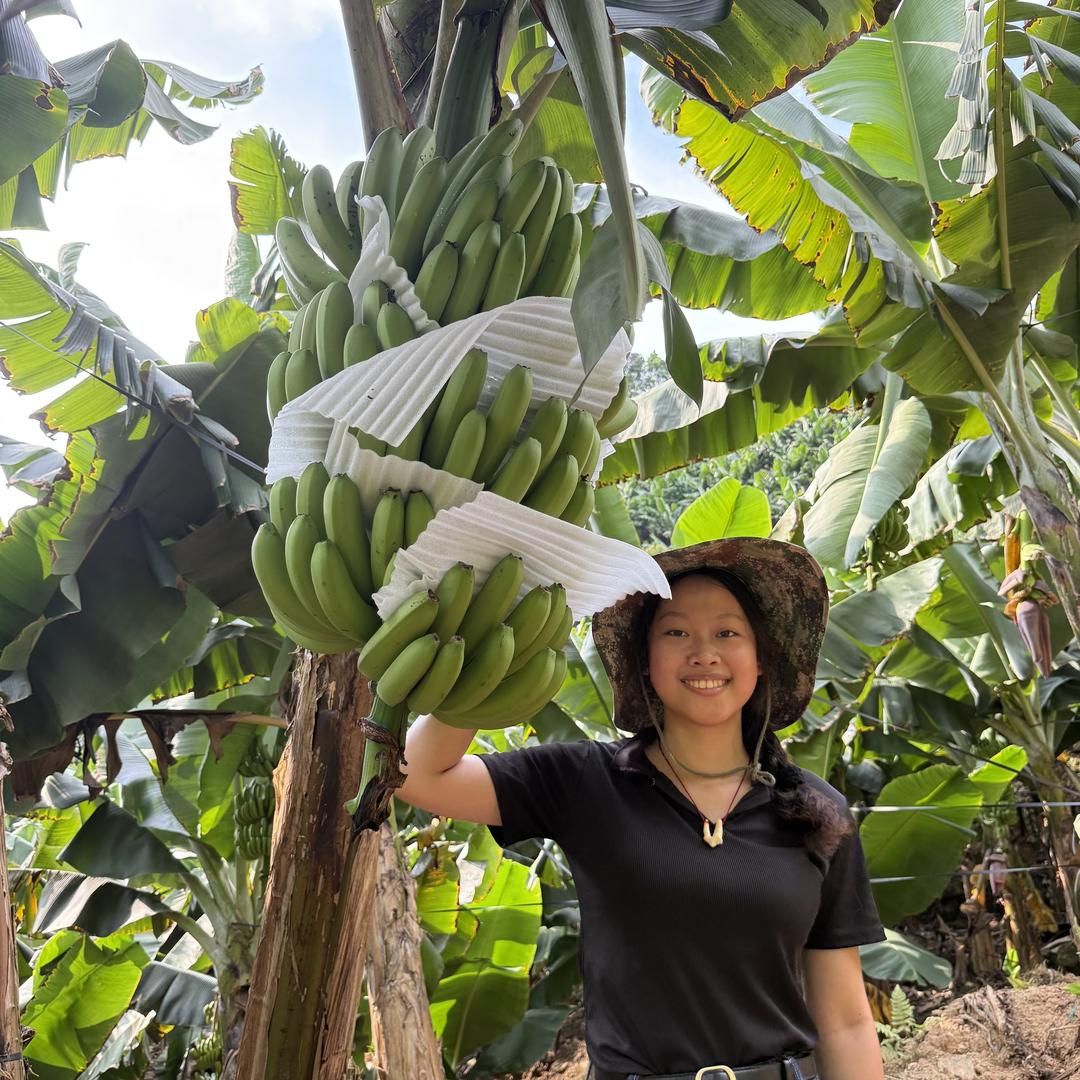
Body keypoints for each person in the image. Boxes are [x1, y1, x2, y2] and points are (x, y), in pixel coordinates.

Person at [397, 537, 886, 1080]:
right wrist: (494, 651)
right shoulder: (584, 781)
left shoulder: (818, 811)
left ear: (761, 660)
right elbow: (414, 773)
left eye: (728, 632)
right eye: (676, 632)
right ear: (645, 662)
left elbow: (845, 1020)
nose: (704, 653)